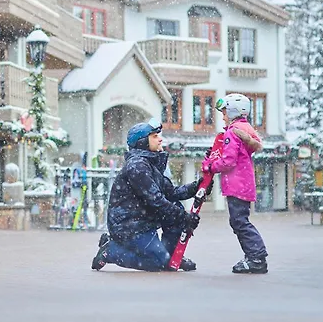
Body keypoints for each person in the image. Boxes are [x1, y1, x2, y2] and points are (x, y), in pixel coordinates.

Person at [91, 118, 205, 272]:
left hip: (142, 220)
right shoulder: (137, 166)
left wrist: (196, 187)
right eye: (154, 136)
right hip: (128, 227)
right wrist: (185, 217)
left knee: (175, 208)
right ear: (142, 142)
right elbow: (156, 200)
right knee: (156, 264)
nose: (160, 139)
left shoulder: (149, 164)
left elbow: (171, 193)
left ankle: (170, 256)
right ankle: (110, 251)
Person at [202, 93, 269, 274]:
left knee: (239, 222)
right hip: (244, 183)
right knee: (239, 221)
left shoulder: (232, 132)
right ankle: (254, 256)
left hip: (236, 185)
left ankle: (256, 258)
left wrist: (210, 166)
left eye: (224, 113)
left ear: (233, 111)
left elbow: (228, 161)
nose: (223, 117)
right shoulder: (245, 130)